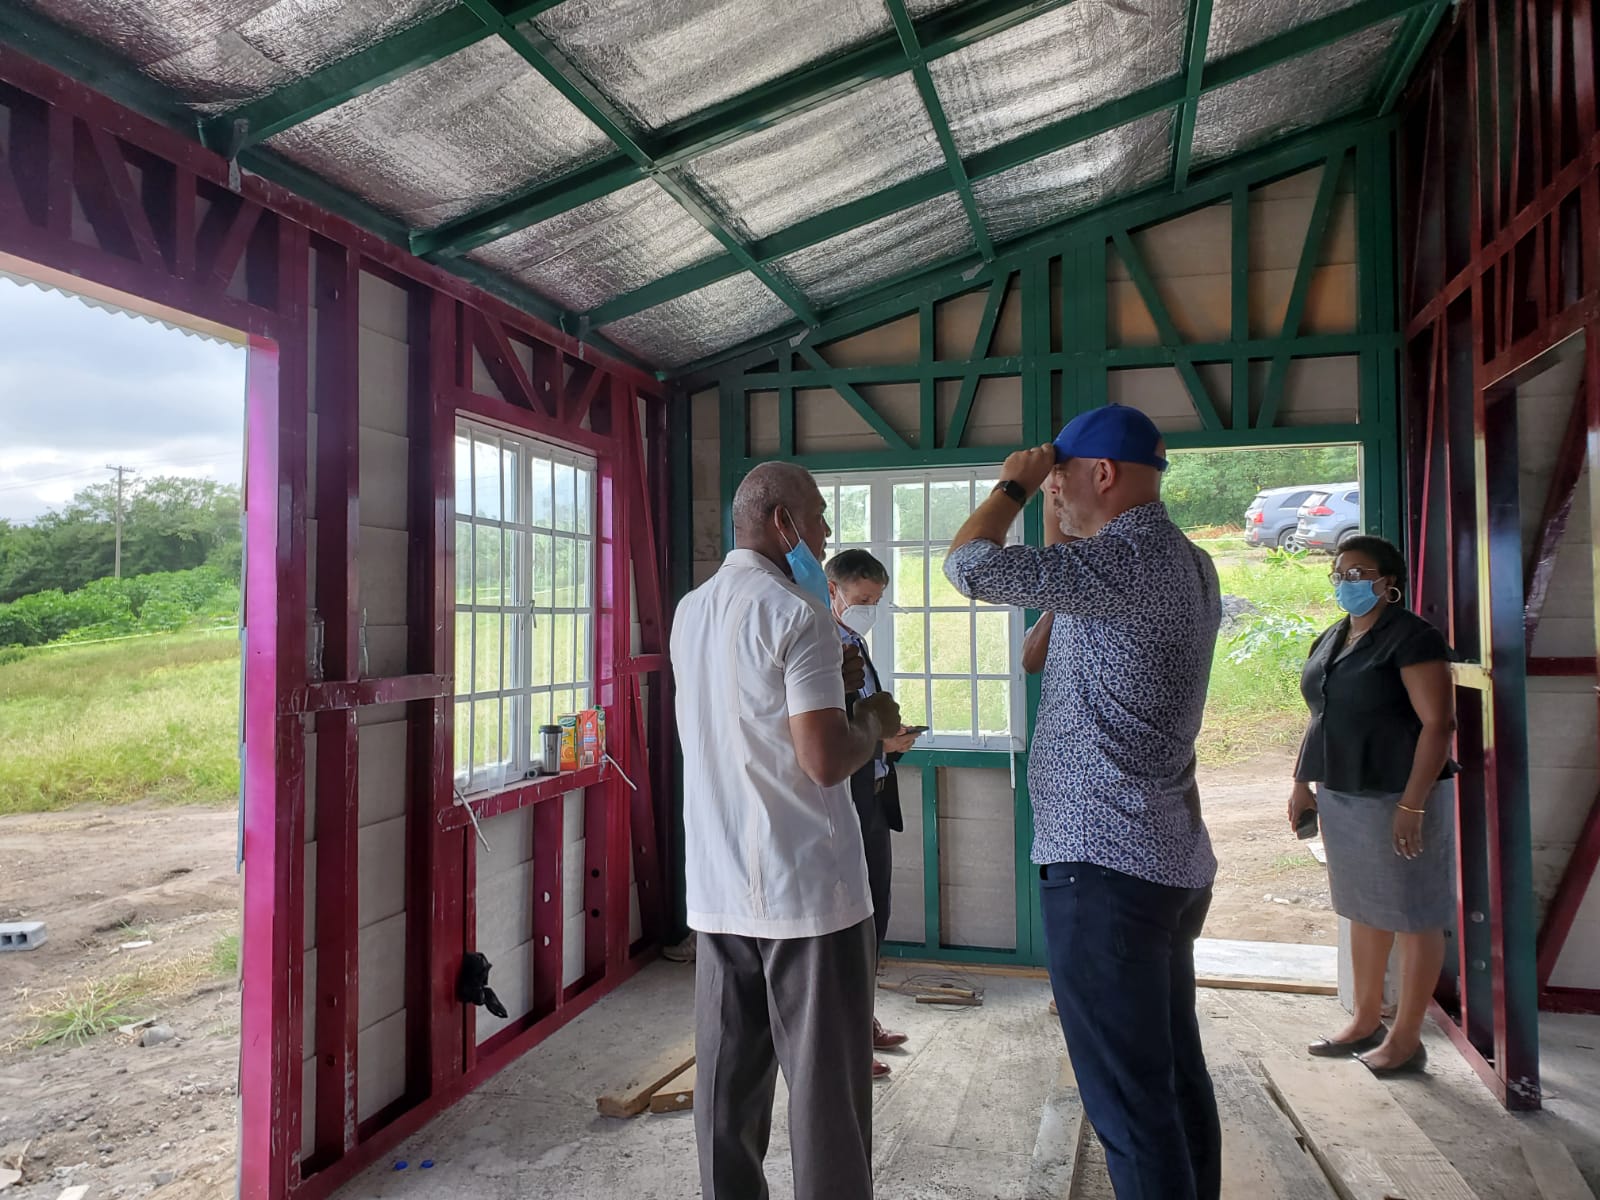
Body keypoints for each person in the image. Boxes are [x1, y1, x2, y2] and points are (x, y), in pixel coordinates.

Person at [943, 404, 1222, 1200]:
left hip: (1106, 869)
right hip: (1159, 861)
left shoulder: (1123, 564)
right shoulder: (1183, 560)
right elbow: (1042, 651)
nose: (1052, 495)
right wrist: (1059, 519)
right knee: (1170, 1077)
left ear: (1102, 473)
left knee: (1131, 1106)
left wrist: (1011, 487)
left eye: (1059, 480)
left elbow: (969, 568)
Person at [672, 461, 900, 1200]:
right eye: (819, 516)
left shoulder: (691, 611)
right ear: (783, 522)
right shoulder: (799, 615)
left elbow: (748, 728)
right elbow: (824, 758)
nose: (826, 533)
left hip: (719, 886)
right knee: (827, 1100)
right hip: (808, 892)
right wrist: (873, 726)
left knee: (727, 1094)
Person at [1289, 534, 1457, 1076]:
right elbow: (1321, 714)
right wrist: (1302, 782)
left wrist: (1413, 804)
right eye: (1340, 573)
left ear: (1390, 583)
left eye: (1359, 573)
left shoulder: (1413, 638)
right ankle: (1365, 1021)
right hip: (1344, 793)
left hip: (1399, 795)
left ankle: (1407, 1039)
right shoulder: (1335, 636)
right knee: (1363, 909)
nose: (1347, 582)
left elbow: (1438, 724)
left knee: (1414, 913)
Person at [825, 549, 921, 1077]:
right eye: (862, 599)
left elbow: (866, 719)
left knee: (875, 914)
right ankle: (844, 1039)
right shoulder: (821, 647)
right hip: (845, 802)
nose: (869, 610)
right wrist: (879, 745)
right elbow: (827, 737)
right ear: (833, 590)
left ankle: (863, 1019)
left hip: (876, 798)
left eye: (877, 601)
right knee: (846, 923)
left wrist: (891, 742)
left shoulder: (856, 644)